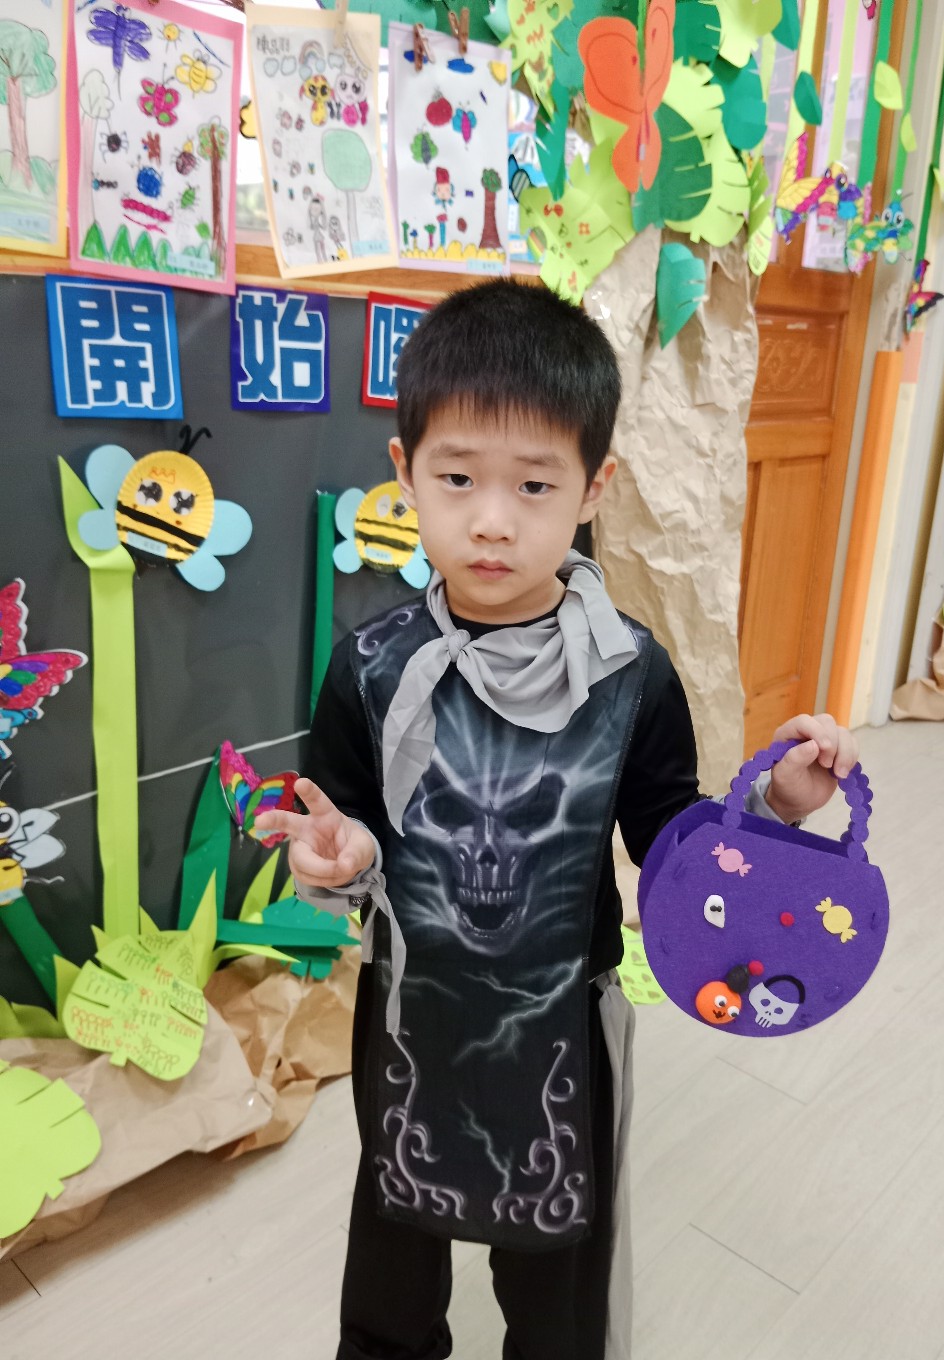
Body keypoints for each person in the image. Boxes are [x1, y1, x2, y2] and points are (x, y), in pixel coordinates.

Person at [256, 280, 859, 1360]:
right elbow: (344, 826)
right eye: (457, 478)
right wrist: (343, 857)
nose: (493, 519)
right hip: (410, 1018)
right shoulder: (371, 668)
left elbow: (674, 847)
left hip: (563, 1029)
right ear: (405, 473)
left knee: (558, 1289)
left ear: (593, 488)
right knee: (394, 1251)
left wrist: (774, 805)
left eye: (534, 484)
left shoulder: (630, 676)